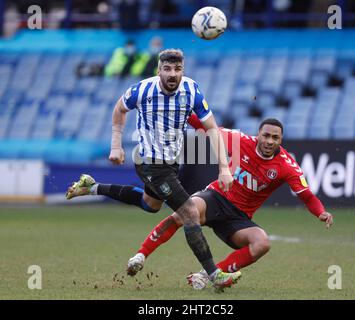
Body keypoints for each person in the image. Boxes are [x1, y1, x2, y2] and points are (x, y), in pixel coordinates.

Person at [68, 115, 334, 290]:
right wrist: (185, 113)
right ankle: (140, 255)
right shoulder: (241, 140)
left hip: (239, 217)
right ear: (259, 134)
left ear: (280, 141)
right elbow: (208, 129)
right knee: (184, 212)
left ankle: (208, 276)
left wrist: (321, 212)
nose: (269, 141)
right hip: (216, 197)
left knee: (262, 243)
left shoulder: (286, 165)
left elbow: (306, 196)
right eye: (266, 135)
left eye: (275, 138)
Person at [66, 49, 241, 291]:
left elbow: (212, 128)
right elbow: (119, 109)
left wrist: (224, 168)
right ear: (159, 70)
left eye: (177, 69)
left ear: (183, 70)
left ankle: (91, 186)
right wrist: (116, 144)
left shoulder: (192, 91)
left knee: (150, 204)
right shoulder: (143, 89)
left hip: (171, 162)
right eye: (167, 69)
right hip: (149, 161)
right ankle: (214, 275)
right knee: (190, 212)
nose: (172, 74)